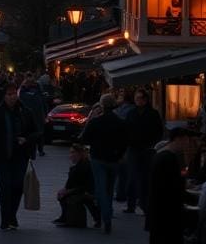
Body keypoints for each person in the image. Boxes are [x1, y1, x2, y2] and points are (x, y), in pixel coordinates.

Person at [0, 81, 40, 231]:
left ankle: (11, 215)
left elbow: (36, 132)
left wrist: (26, 139)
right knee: (5, 186)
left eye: (14, 94)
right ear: (4, 96)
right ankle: (5, 219)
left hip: (20, 156)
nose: (12, 97)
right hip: (2, 156)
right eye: (8, 94)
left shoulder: (25, 111)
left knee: (17, 186)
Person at [79, 93, 128, 235]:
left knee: (101, 188)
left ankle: (105, 217)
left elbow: (85, 138)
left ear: (101, 105)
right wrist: (119, 155)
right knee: (109, 187)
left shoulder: (95, 122)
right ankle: (106, 213)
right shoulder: (121, 122)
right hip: (113, 159)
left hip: (98, 159)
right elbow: (125, 141)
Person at [146, 126, 197, 244]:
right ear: (178, 139)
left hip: (160, 211)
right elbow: (174, 187)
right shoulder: (169, 158)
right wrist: (193, 199)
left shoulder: (163, 156)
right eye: (186, 140)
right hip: (167, 212)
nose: (187, 144)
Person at [124, 87, 163, 215]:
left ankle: (144, 204)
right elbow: (126, 129)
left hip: (147, 149)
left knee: (145, 177)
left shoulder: (153, 114)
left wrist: (153, 145)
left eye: (140, 98)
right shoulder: (131, 113)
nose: (138, 101)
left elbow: (158, 131)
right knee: (132, 177)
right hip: (133, 148)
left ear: (145, 99)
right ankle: (131, 204)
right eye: (136, 98)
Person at [53, 144, 100, 228]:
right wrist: (65, 189)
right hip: (81, 190)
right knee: (63, 195)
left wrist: (67, 191)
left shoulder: (84, 166)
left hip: (87, 191)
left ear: (79, 154)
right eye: (70, 153)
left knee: (70, 198)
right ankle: (66, 216)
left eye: (73, 152)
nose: (70, 155)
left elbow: (84, 186)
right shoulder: (77, 166)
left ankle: (72, 219)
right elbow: (70, 183)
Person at [18, 73, 47, 156]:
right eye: (28, 81)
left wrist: (45, 114)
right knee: (33, 133)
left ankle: (40, 149)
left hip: (38, 114)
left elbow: (43, 102)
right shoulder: (23, 90)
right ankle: (34, 151)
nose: (30, 82)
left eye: (31, 81)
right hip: (30, 116)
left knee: (40, 133)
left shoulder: (37, 89)